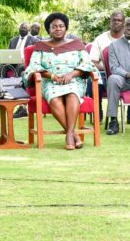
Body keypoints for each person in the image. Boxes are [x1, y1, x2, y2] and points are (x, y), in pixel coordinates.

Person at [23, 13, 96, 150]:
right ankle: (73, 134)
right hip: (50, 81)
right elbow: (33, 67)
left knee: (72, 94)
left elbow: (88, 64)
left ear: (66, 28)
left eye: (61, 26)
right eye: (54, 27)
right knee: (54, 98)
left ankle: (69, 135)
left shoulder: (76, 44)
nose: (58, 29)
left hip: (74, 80)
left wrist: (72, 74)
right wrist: (52, 76)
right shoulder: (41, 46)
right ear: (49, 30)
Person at [89, 11, 130, 124]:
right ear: (110, 22)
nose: (116, 22)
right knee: (92, 81)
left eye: (119, 20)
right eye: (114, 20)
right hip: (105, 74)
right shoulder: (100, 39)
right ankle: (98, 116)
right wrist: (109, 67)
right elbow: (93, 62)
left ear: (124, 23)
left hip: (128, 75)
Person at [8, 22, 39, 118]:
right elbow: (9, 54)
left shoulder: (34, 40)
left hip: (26, 65)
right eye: (21, 28)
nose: (23, 29)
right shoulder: (13, 40)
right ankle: (4, 96)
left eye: (25, 28)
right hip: (13, 62)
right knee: (2, 67)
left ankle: (21, 107)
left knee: (21, 68)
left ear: (29, 30)